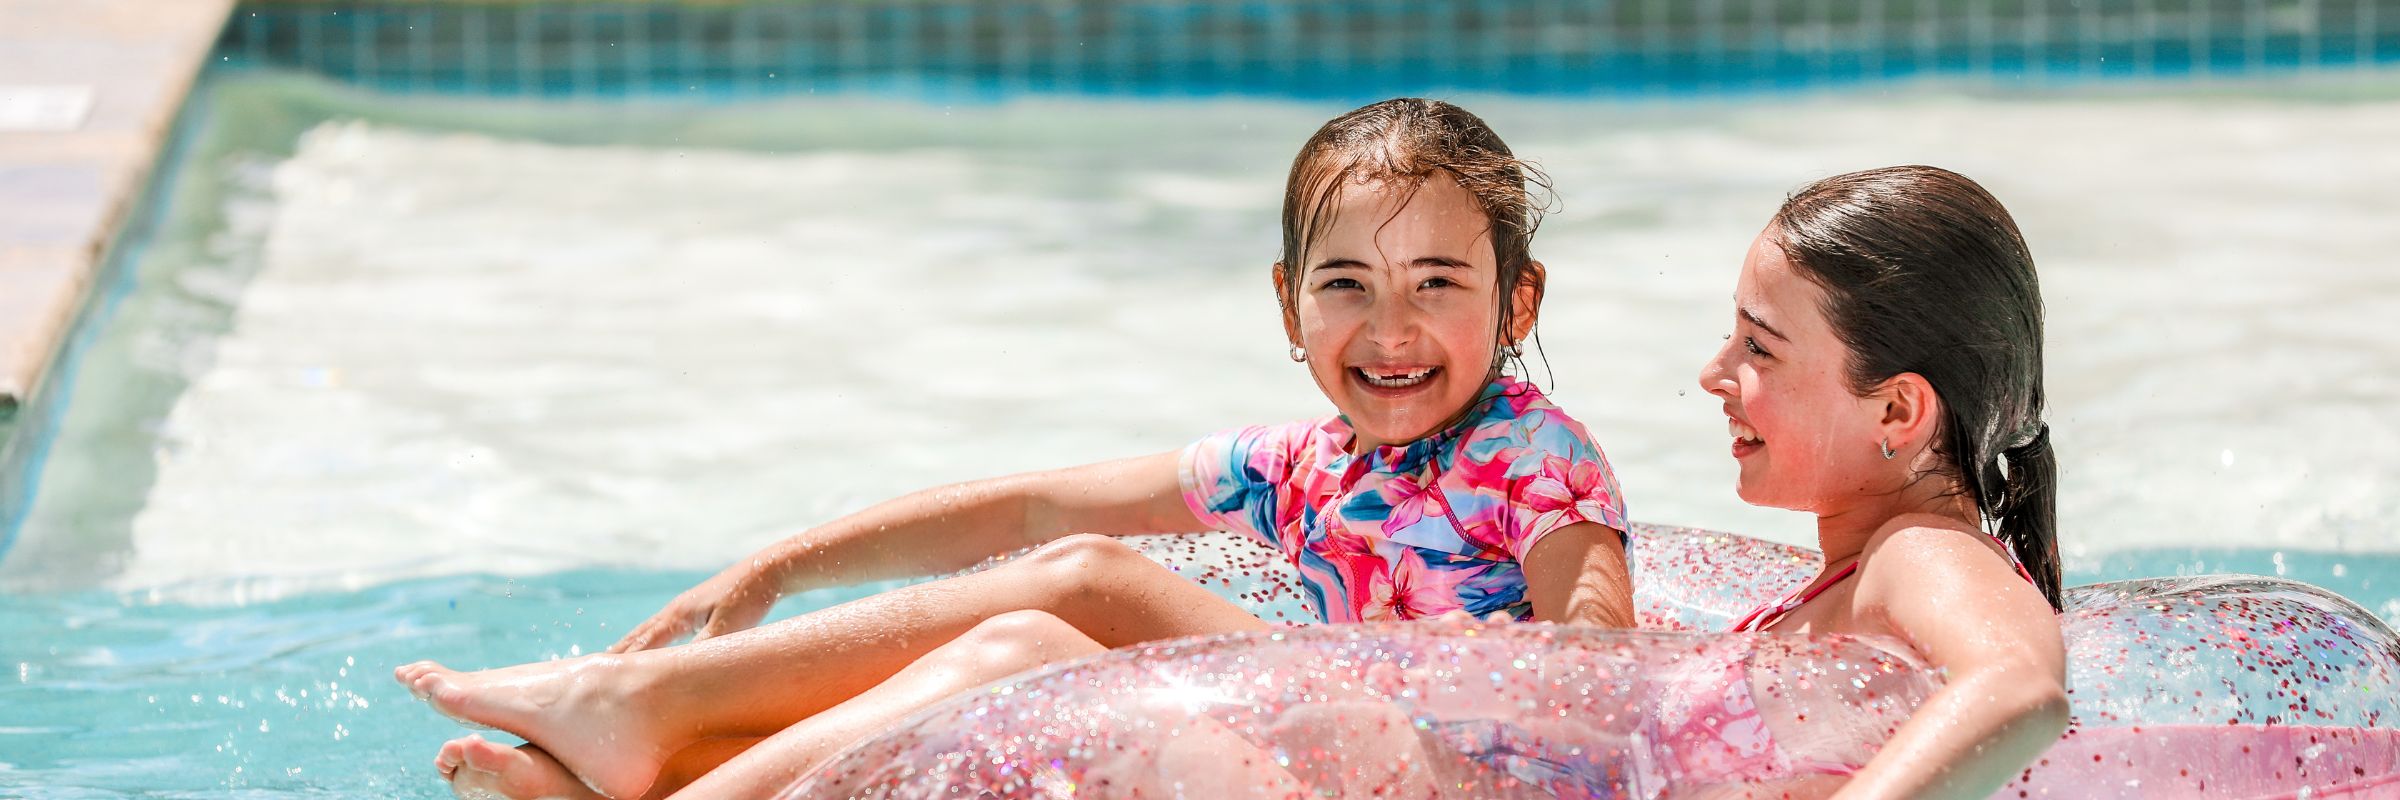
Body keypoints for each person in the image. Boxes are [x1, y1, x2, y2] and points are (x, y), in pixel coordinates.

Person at [395, 97, 1636, 800]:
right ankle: (666, 768)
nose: (1392, 327)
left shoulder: (1539, 458)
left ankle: (634, 718)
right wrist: (779, 561)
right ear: (1286, 302)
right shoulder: (1304, 462)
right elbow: (1030, 503)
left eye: (1437, 281)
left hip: (1450, 779)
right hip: (1332, 757)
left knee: (1084, 592)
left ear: (1516, 305)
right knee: (1025, 644)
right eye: (1347, 284)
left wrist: (1438, 670)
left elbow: (1603, 671)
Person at [1679, 164, 2069, 798]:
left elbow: (2020, 685)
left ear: (1897, 412)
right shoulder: (1861, 575)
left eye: (1759, 347)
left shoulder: (1920, 553)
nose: (1713, 372)